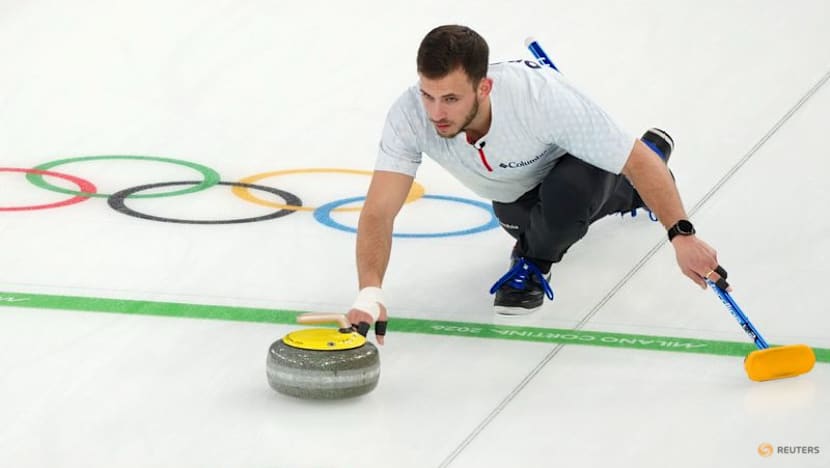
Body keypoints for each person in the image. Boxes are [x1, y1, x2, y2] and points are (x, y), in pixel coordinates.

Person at [346, 25, 727, 343]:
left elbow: (633, 161)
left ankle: (533, 263)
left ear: (484, 88)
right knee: (540, 223)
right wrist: (370, 290)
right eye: (428, 95)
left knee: (567, 205)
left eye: (450, 98)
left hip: (577, 166)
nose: (436, 113)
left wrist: (683, 236)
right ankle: (640, 181)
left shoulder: (538, 97)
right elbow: (379, 211)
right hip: (513, 194)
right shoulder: (409, 116)